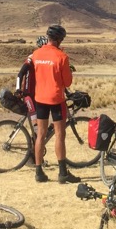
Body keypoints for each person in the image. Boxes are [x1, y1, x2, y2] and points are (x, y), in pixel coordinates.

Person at [27, 25, 78, 184]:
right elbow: (67, 82)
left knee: (41, 135)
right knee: (60, 135)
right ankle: (62, 173)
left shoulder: (36, 54)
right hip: (56, 99)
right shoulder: (62, 56)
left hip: (40, 98)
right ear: (59, 39)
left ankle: (38, 172)